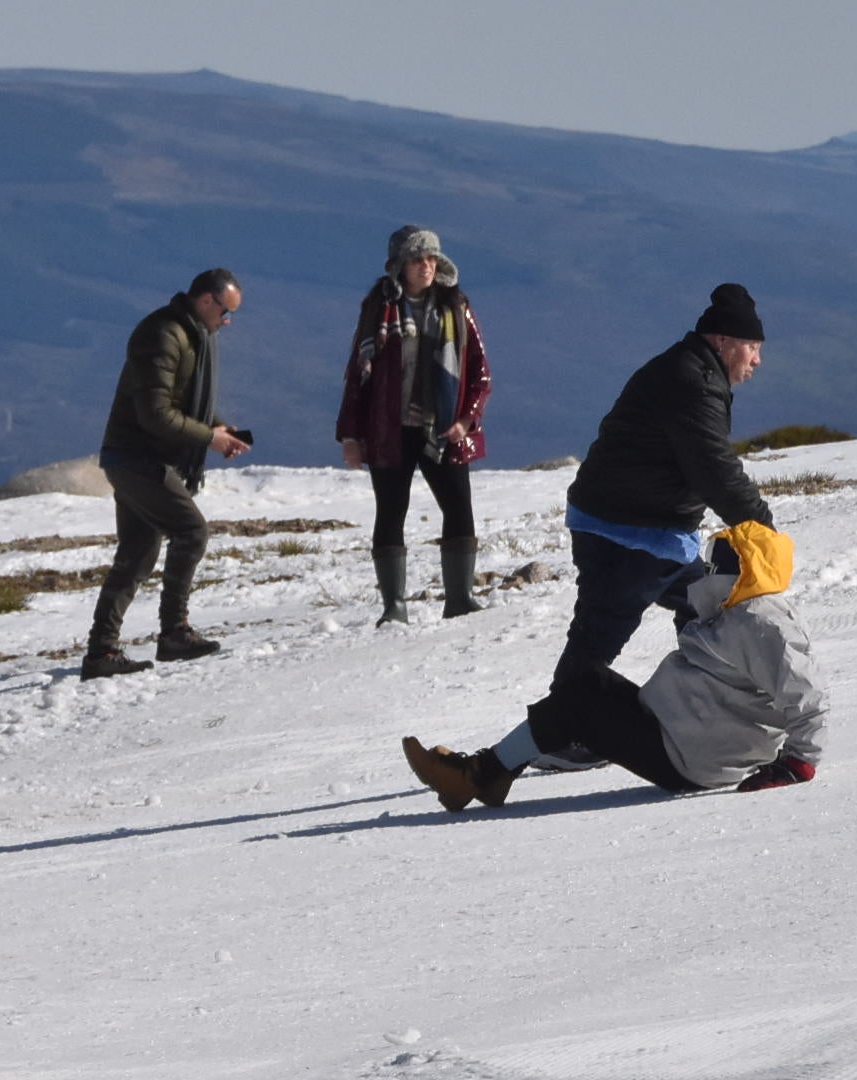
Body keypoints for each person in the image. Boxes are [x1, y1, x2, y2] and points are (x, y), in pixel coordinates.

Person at [401, 521, 822, 809]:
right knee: (586, 692)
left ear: (743, 571)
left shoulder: (763, 622)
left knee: (585, 690)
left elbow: (808, 697)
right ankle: (491, 771)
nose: (707, 569)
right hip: (692, 741)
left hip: (690, 758)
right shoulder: (741, 614)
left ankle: (478, 776)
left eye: (718, 563)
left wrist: (796, 764)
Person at [544, 284, 776, 726]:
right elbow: (714, 468)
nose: (758, 360)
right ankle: (560, 732)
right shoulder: (690, 381)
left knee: (701, 608)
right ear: (723, 342)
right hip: (624, 531)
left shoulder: (694, 371)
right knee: (600, 635)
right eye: (753, 347)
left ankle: (703, 705)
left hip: (651, 528)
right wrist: (762, 529)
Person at [84, 269, 253, 679]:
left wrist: (216, 428)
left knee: (138, 552)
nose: (227, 322)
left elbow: (180, 402)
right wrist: (207, 437)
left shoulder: (190, 335)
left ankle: (101, 653)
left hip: (137, 458)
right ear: (207, 302)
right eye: (226, 311)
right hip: (137, 458)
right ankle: (174, 633)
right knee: (191, 531)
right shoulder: (162, 335)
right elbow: (156, 414)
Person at [337, 225, 493, 625]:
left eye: (431, 259)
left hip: (444, 430)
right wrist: (351, 435)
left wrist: (465, 419)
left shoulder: (456, 306)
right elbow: (358, 374)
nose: (426, 266)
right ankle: (394, 606)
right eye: (417, 259)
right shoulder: (379, 308)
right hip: (390, 429)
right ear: (399, 266)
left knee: (459, 507)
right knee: (391, 511)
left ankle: (460, 598)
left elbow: (479, 372)